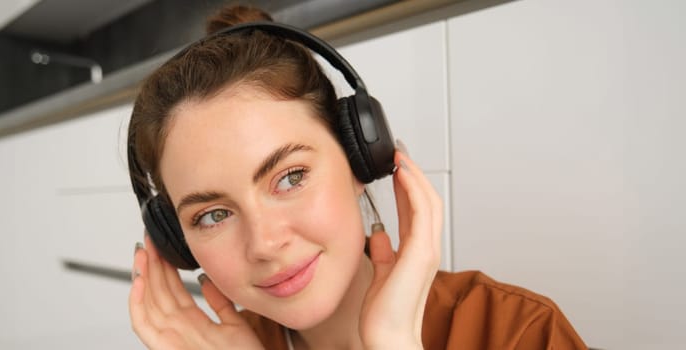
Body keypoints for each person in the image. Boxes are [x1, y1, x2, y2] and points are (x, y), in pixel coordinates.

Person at [127, 5, 587, 350]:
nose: (264, 244)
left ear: (360, 160)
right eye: (214, 215)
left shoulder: (516, 332)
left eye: (290, 178)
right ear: (177, 240)